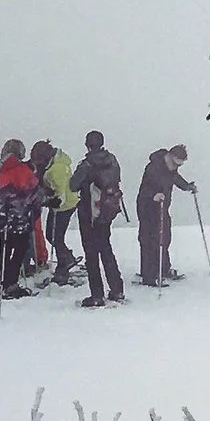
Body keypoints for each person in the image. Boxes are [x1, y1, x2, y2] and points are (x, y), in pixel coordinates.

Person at [68, 129, 125, 308]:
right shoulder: (113, 161)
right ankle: (117, 289)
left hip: (89, 213)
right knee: (106, 248)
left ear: (87, 144)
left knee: (91, 254)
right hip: (107, 212)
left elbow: (72, 186)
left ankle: (97, 295)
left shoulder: (86, 165)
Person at [136, 145, 197, 286]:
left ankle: (163, 268)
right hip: (147, 208)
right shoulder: (153, 168)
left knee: (164, 237)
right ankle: (149, 275)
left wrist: (187, 186)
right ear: (169, 156)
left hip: (162, 208)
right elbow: (144, 189)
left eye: (180, 165)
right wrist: (154, 195)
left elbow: (176, 178)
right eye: (176, 163)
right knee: (149, 240)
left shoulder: (171, 169)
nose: (176, 167)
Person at [0, 139, 41, 298]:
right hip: (20, 218)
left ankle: (5, 282)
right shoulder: (22, 170)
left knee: (4, 250)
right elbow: (33, 193)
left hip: (1, 216)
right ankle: (11, 282)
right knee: (20, 249)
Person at [37, 137, 79, 286]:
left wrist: (49, 201)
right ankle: (65, 261)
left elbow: (61, 192)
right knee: (55, 236)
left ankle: (65, 262)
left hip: (64, 205)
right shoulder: (56, 163)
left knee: (53, 235)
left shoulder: (57, 169)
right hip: (68, 202)